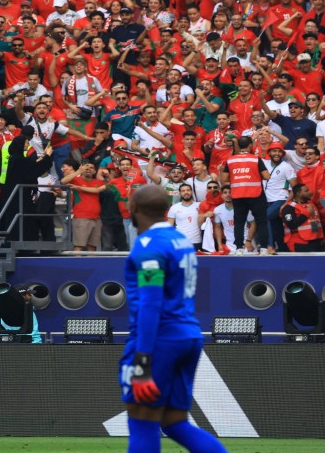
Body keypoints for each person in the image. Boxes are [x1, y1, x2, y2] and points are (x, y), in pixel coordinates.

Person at [121, 185, 228, 453]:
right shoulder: (180, 241)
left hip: (160, 340)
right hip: (188, 335)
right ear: (167, 209)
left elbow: (150, 301)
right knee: (173, 421)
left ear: (133, 209)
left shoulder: (148, 246)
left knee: (142, 419)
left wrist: (143, 358)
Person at [220, 136, 271, 255]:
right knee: (261, 221)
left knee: (239, 222)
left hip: (238, 195)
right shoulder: (255, 159)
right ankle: (263, 248)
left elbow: (224, 180)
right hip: (256, 194)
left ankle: (239, 248)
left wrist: (237, 180)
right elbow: (267, 176)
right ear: (250, 146)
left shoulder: (231, 160)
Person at [280, 184, 325, 253]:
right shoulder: (289, 208)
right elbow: (292, 224)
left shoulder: (311, 204)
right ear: (298, 193)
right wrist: (306, 213)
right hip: (299, 242)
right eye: (306, 191)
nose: (310, 192)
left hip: (316, 240)